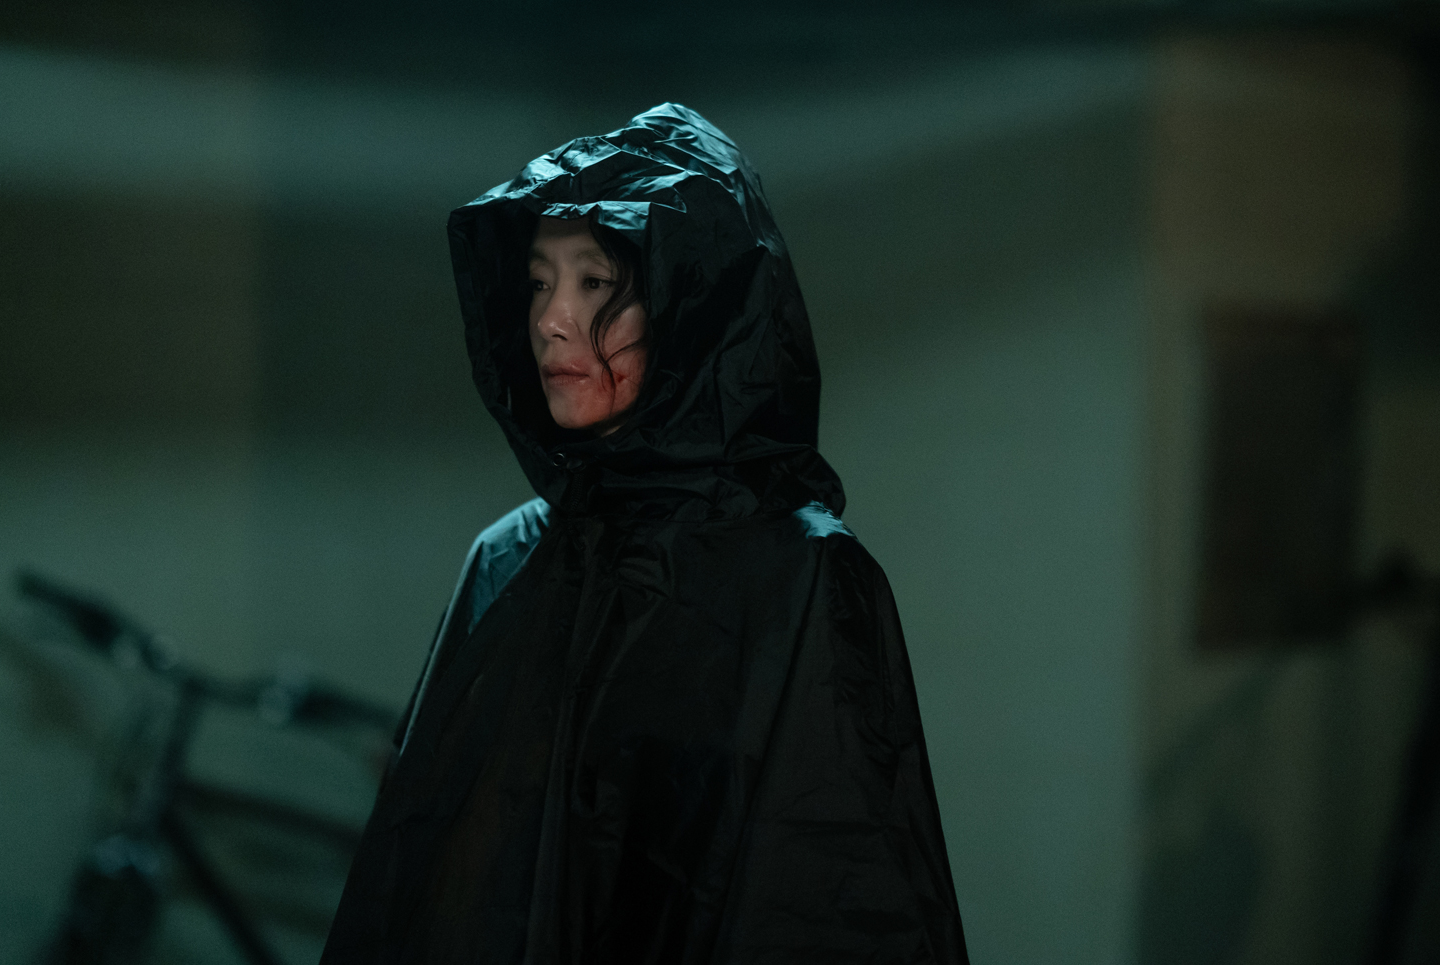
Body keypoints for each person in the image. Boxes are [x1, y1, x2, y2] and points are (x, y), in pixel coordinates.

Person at [321, 104, 970, 964]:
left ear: (692, 308)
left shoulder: (803, 577)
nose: (552, 319)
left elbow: (827, 898)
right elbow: (435, 886)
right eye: (538, 282)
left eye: (595, 282)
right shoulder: (509, 558)